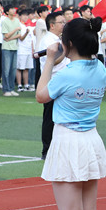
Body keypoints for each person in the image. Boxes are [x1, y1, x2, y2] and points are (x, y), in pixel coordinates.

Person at [36, 15, 106, 210]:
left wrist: (49, 61)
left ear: (67, 44)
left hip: (68, 141)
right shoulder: (101, 69)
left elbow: (42, 95)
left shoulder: (67, 73)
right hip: (91, 140)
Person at [37, 12, 69, 159]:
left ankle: (58, 148)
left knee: (62, 117)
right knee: (50, 117)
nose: (64, 24)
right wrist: (64, 52)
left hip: (63, 82)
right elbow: (51, 62)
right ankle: (47, 150)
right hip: (53, 81)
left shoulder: (59, 39)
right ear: (52, 25)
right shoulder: (48, 40)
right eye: (61, 22)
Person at [0, 6, 22, 96]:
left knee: (13, 69)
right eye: (11, 9)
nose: (14, 10)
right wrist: (15, 30)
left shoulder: (17, 21)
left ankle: (12, 88)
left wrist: (11, 37)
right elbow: (6, 36)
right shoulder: (5, 21)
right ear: (7, 12)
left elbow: (19, 35)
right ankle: (6, 89)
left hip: (15, 47)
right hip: (6, 48)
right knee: (6, 69)